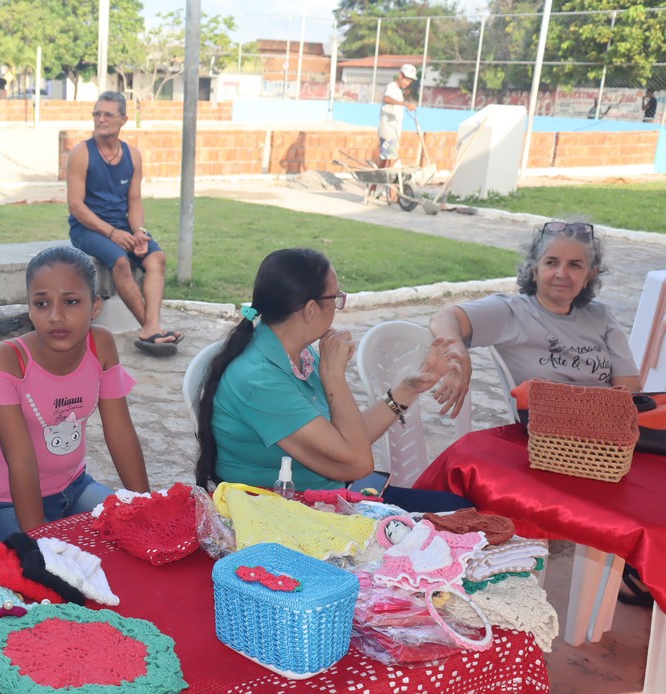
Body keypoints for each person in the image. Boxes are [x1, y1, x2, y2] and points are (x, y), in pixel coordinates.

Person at [194, 248, 470, 511]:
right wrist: (333, 375)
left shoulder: (298, 355)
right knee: (460, 519)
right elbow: (358, 463)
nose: (338, 306)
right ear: (310, 309)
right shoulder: (260, 381)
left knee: (461, 509)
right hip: (283, 512)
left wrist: (407, 389)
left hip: (323, 496)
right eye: (335, 297)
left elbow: (343, 439)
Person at [0, 245, 150, 539]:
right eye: (41, 304)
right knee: (46, 565)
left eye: (71, 301)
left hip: (75, 489)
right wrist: (41, 543)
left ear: (95, 306)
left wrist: (147, 507)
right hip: (5, 503)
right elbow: (21, 461)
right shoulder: (4, 359)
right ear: (30, 309)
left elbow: (120, 433)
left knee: (134, 534)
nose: (55, 316)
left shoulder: (101, 345)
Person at [429, 221, 641, 419]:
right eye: (551, 262)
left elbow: (630, 389)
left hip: (606, 431)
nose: (561, 273)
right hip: (544, 435)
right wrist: (459, 356)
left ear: (589, 275)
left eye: (575, 265)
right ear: (534, 271)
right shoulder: (511, 312)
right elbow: (444, 317)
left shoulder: (602, 316)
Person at [67, 91, 180, 356]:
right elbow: (76, 206)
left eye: (108, 114)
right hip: (87, 228)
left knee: (157, 258)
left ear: (124, 120)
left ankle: (151, 328)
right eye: (97, 113)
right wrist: (112, 233)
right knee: (120, 261)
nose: (100, 119)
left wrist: (138, 231)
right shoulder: (81, 153)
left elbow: (135, 201)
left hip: (123, 226)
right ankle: (152, 329)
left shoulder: (133, 155)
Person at [378, 64, 417, 182]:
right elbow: (387, 98)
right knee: (392, 162)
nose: (407, 83)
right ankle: (393, 191)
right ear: (400, 75)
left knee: (385, 160)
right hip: (388, 132)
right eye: (406, 79)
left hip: (393, 132)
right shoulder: (392, 87)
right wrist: (405, 104)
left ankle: (373, 188)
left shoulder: (399, 91)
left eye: (409, 81)